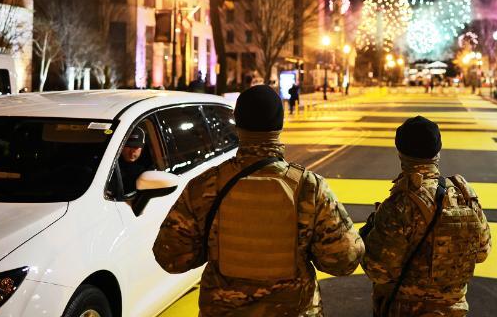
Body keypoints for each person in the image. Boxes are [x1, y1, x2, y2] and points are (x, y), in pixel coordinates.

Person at [153, 85, 364, 316]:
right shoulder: (309, 188)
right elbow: (344, 259)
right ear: (280, 125)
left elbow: (170, 256)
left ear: (237, 122)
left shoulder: (205, 185)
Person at [361, 116, 491, 317]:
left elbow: (378, 270)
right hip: (454, 310)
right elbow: (482, 252)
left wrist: (366, 239)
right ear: (437, 152)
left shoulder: (400, 203)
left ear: (401, 152)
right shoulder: (463, 194)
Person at [117, 127, 151, 195]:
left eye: (136, 147)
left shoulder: (149, 168)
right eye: (128, 146)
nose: (132, 152)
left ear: (142, 148)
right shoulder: (111, 164)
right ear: (121, 147)